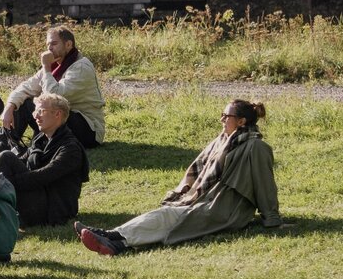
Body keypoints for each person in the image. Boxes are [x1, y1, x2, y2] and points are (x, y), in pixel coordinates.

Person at [77, 100, 282, 255]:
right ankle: (116, 241)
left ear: (241, 121)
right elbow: (195, 172)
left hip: (225, 208)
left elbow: (265, 184)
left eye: (225, 116)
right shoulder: (221, 141)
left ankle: (112, 236)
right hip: (202, 200)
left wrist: (271, 218)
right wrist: (182, 193)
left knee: (167, 217)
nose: (221, 120)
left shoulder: (256, 147)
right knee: (166, 215)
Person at [0, 94, 88, 227]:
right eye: (35, 111)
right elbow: (22, 161)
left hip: (52, 209)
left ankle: (5, 218)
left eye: (41, 111)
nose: (35, 116)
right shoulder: (40, 140)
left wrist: (9, 180)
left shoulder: (70, 149)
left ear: (57, 114)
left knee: (5, 157)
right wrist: (5, 178)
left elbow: (44, 176)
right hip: (36, 198)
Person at [2, 26, 107, 148]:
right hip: (64, 121)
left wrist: (46, 67)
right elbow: (26, 87)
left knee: (39, 106)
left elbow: (54, 97)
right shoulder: (54, 66)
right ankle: (7, 145)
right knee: (21, 102)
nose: (49, 49)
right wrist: (9, 108)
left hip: (89, 131)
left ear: (68, 44)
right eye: (48, 45)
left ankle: (9, 147)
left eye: (54, 44)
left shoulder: (81, 67)